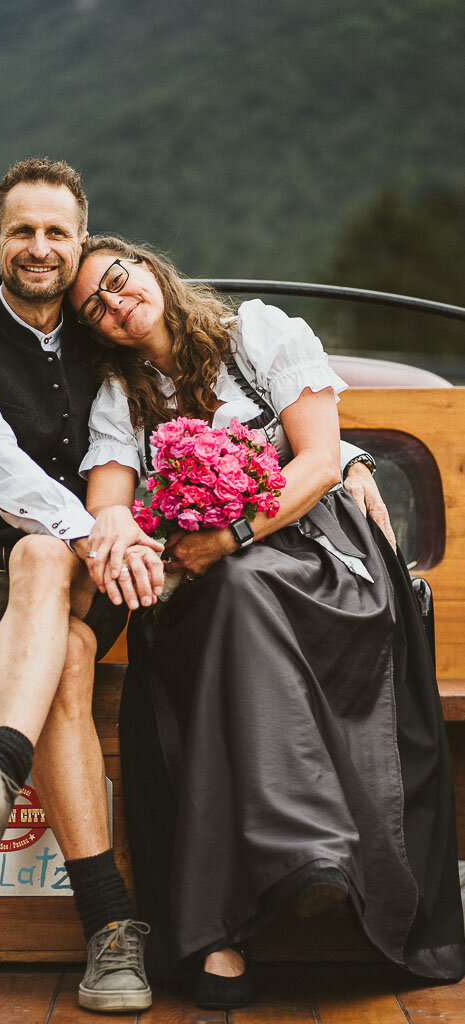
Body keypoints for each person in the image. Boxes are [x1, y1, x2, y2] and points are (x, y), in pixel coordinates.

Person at [68, 235, 465, 1009]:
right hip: (205, 580)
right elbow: (108, 499)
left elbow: (318, 462)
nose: (116, 303)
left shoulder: (255, 334)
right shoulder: (121, 398)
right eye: (94, 308)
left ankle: (272, 890)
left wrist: (231, 535)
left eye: (117, 279)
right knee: (213, 612)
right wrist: (115, 525)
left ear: (147, 267)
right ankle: (284, 876)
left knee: (238, 592)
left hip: (324, 561)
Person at [0, 159, 164, 1013]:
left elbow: (218, 395)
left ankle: (3, 757)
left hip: (89, 577)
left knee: (55, 570)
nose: (40, 247)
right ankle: (112, 930)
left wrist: (341, 459)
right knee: (57, 607)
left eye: (57, 231)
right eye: (22, 230)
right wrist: (92, 534)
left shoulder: (106, 341)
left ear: (80, 240)